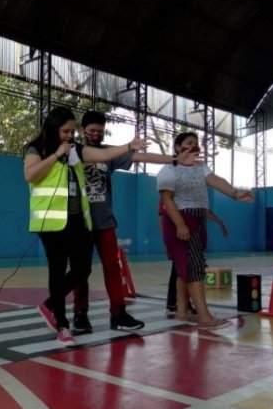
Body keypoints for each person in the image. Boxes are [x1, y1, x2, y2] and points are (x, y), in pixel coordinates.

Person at [24, 106, 150, 347]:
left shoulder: (76, 150)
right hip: (51, 222)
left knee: (82, 269)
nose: (70, 135)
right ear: (53, 128)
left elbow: (105, 154)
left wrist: (128, 146)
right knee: (57, 272)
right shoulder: (36, 148)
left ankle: (49, 304)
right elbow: (30, 175)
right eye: (65, 131)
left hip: (77, 221)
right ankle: (62, 326)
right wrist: (56, 155)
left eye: (72, 131)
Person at [71, 111, 200, 333]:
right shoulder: (73, 152)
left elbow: (142, 157)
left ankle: (118, 313)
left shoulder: (109, 153)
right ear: (82, 130)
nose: (96, 135)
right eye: (92, 131)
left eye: (100, 131)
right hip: (81, 223)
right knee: (80, 270)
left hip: (105, 222)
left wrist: (175, 160)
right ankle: (80, 313)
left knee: (113, 268)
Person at [157, 131, 254, 329]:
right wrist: (180, 224)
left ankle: (182, 312)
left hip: (198, 219)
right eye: (188, 143)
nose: (194, 146)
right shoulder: (168, 170)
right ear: (177, 148)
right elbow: (167, 201)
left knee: (184, 268)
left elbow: (216, 180)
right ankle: (204, 317)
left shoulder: (201, 167)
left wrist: (235, 193)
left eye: (196, 143)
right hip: (180, 220)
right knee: (193, 268)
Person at [159, 201, 228, 317]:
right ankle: (195, 312)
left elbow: (203, 210)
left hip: (194, 235)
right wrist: (167, 240)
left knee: (183, 272)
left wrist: (219, 221)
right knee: (186, 270)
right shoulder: (170, 197)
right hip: (182, 237)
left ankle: (182, 307)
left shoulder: (193, 199)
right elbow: (163, 217)